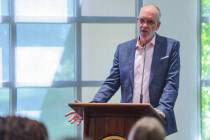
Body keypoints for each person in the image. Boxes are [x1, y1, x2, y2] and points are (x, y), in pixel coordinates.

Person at [66, 4, 180, 136]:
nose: (144, 25)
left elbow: (171, 84)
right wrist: (91, 108)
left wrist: (161, 111)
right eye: (142, 20)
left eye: (150, 22)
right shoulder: (123, 49)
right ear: (137, 21)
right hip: (126, 118)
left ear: (158, 26)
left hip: (155, 121)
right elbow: (111, 83)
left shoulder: (170, 47)